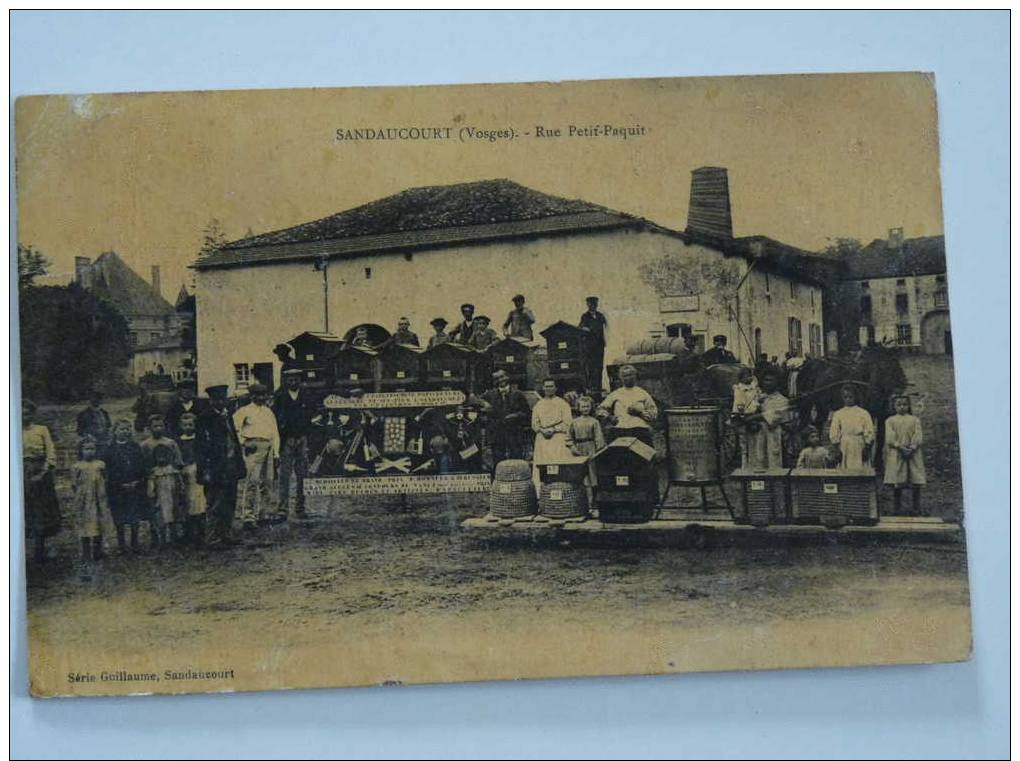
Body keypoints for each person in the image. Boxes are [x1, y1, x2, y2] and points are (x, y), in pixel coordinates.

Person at [196, 385, 246, 547]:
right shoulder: (204, 418)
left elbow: (234, 441)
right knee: (214, 503)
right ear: (211, 400)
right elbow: (201, 447)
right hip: (215, 467)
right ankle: (212, 537)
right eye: (217, 399)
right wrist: (205, 470)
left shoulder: (227, 415)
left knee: (229, 501)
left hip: (231, 464)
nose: (221, 402)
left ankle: (226, 534)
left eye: (223, 399)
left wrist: (239, 463)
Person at [233, 382, 280, 528]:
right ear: (251, 396)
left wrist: (276, 453)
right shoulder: (244, 411)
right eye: (257, 394)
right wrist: (244, 442)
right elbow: (234, 429)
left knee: (267, 482)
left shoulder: (268, 412)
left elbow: (275, 433)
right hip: (253, 447)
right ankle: (248, 516)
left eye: (263, 394)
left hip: (269, 447)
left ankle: (264, 514)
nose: (261, 397)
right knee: (252, 482)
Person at [21, 400, 62, 563]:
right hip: (19, 471)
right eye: (22, 413)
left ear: (33, 414)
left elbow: (50, 452)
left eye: (28, 413)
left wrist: (44, 471)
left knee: (41, 510)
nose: (25, 416)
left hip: (40, 472)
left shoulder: (41, 429)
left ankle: (40, 548)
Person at [272, 369, 314, 519]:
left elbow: (311, 416)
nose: (293, 382)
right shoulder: (279, 397)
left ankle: (300, 508)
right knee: (285, 475)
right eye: (290, 379)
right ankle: (283, 509)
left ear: (300, 380)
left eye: (296, 379)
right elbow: (275, 419)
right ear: (286, 381)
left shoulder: (307, 396)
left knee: (303, 474)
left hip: (302, 438)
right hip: (286, 440)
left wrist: (306, 436)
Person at [103, 418, 146, 554]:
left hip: (134, 486)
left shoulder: (135, 447)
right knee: (119, 517)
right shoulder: (109, 450)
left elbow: (141, 466)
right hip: (117, 489)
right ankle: (122, 545)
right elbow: (108, 471)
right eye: (122, 429)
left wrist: (136, 481)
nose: (125, 431)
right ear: (115, 431)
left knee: (134, 516)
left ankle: (135, 543)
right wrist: (119, 484)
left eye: (128, 429)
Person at [140, 415, 182, 549]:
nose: (158, 429)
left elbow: (177, 460)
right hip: (154, 479)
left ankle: (174, 536)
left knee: (172, 507)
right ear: (149, 428)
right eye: (155, 426)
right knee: (156, 508)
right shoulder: (145, 445)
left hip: (169, 478)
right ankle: (158, 538)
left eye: (161, 426)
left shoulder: (171, 443)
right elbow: (143, 464)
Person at [884, 395, 927, 514]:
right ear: (894, 406)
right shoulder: (890, 421)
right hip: (898, 453)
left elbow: (918, 435)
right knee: (898, 481)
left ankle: (916, 508)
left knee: (915, 480)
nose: (902, 407)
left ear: (908, 406)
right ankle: (897, 508)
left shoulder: (914, 420)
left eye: (905, 404)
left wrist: (912, 447)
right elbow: (890, 437)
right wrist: (900, 447)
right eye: (899, 404)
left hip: (913, 454)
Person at [71, 435, 111, 563]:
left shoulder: (100, 464)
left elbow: (105, 479)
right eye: (87, 449)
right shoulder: (77, 466)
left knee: (98, 523)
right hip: (84, 500)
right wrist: (80, 496)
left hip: (98, 498)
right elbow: (74, 484)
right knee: (85, 524)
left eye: (92, 449)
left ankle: (98, 550)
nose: (90, 451)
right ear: (81, 450)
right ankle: (86, 552)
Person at [596, 365, 658, 447]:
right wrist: (610, 417)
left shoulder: (642, 393)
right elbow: (600, 410)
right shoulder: (616, 394)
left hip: (639, 430)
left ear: (635, 376)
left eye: (630, 375)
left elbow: (653, 414)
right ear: (621, 378)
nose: (628, 378)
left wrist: (640, 413)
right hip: (620, 430)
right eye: (625, 376)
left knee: (643, 456)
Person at [478, 370, 531, 465]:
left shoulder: (518, 394)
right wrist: (484, 405)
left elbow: (526, 413)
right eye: (497, 378)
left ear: (507, 377)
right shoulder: (489, 395)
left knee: (516, 459)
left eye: (502, 377)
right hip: (497, 434)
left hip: (514, 432)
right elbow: (476, 403)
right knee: (498, 460)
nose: (500, 380)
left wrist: (515, 415)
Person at [743, 369, 791, 470]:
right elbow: (748, 410)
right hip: (757, 433)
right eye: (765, 380)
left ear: (777, 383)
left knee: (773, 461)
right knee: (757, 459)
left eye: (771, 380)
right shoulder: (757, 397)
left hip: (772, 434)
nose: (767, 383)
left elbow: (774, 417)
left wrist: (756, 417)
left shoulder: (782, 400)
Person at [531, 378, 574, 487]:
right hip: (542, 439)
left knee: (558, 464)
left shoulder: (562, 403)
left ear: (555, 388)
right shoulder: (538, 405)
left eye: (551, 386)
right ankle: (542, 493)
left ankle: (562, 489)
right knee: (542, 466)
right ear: (543, 388)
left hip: (557, 438)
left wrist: (554, 429)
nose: (548, 389)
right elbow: (534, 424)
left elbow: (568, 422)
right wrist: (542, 430)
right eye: (546, 386)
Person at [568, 394, 606, 505]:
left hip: (591, 448)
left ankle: (593, 500)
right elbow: (569, 437)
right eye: (583, 406)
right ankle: (580, 500)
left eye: (587, 406)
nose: (585, 409)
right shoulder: (574, 422)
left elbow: (599, 438)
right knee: (579, 474)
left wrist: (597, 451)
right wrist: (572, 447)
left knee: (592, 474)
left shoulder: (594, 422)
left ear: (591, 407)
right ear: (578, 408)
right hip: (578, 449)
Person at [176, 412, 207, 544]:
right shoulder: (178, 441)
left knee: (199, 501)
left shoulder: (199, 440)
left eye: (190, 425)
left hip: (196, 471)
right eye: (185, 425)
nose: (188, 427)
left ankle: (201, 531)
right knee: (186, 501)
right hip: (184, 471)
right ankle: (188, 531)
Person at [829, 385, 875, 470]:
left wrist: (867, 447)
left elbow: (869, 430)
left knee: (860, 467)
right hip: (844, 444)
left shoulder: (863, 413)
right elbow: (834, 431)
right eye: (845, 397)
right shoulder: (838, 413)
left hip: (859, 444)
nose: (848, 399)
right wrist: (836, 449)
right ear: (842, 398)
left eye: (851, 397)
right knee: (844, 468)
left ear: (855, 397)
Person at [148, 442, 185, 546]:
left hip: (172, 497)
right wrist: (152, 497)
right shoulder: (154, 472)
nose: (162, 459)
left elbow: (180, 484)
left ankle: (174, 538)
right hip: (161, 498)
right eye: (159, 457)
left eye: (164, 456)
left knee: (173, 518)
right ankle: (162, 540)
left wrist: (180, 493)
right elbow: (151, 488)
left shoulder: (173, 471)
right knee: (161, 519)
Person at [578, 296, 608, 392]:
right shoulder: (585, 316)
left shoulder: (600, 316)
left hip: (599, 345)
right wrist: (585, 329)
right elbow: (580, 328)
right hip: (589, 347)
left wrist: (605, 340)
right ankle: (591, 387)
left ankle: (598, 387)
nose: (593, 306)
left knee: (599, 366)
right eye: (591, 304)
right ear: (588, 305)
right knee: (591, 367)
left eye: (595, 304)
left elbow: (606, 328)